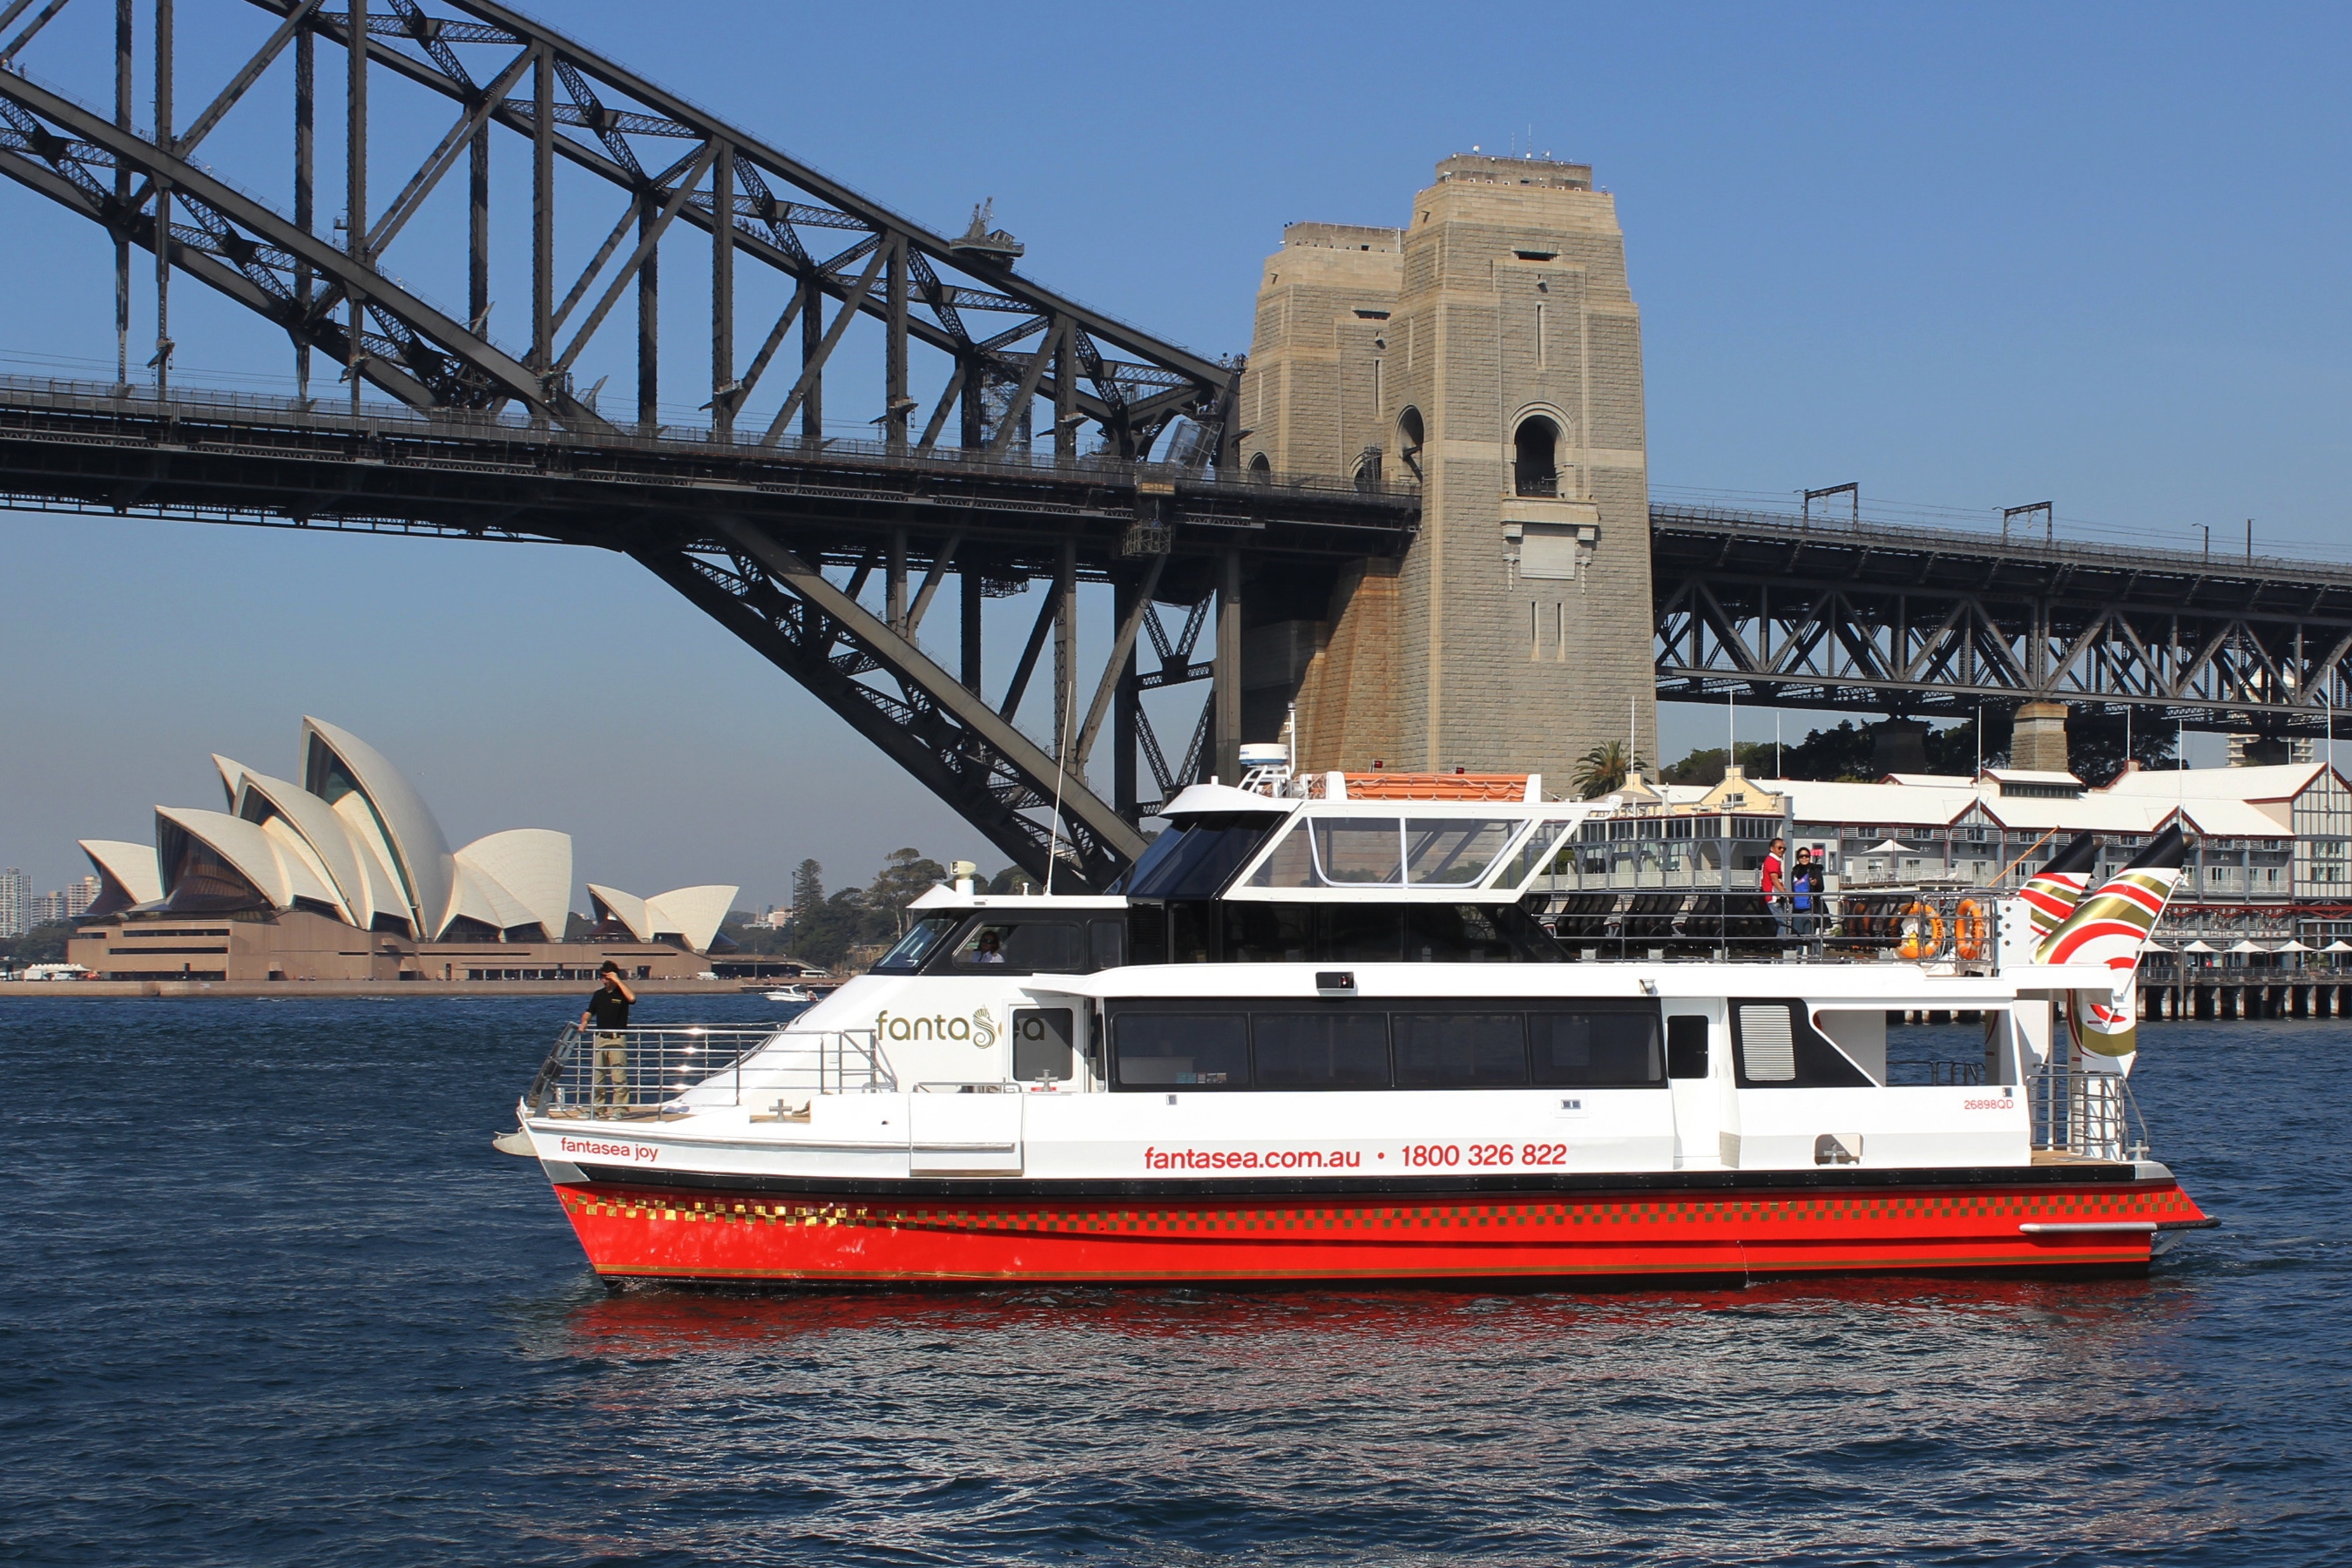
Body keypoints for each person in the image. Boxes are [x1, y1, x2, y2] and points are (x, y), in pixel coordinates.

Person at [581, 962, 638, 1114]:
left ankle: (620, 1109)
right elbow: (589, 1011)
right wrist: (585, 1021)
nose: (604, 980)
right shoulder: (598, 995)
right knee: (598, 1076)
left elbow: (632, 998)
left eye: (607, 977)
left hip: (617, 1039)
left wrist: (618, 981)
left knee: (618, 1076)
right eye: (602, 977)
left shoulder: (622, 993)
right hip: (601, 1038)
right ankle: (597, 1108)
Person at [1789, 848, 1820, 955]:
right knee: (1798, 937)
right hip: (1797, 909)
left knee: (1810, 936)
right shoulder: (1795, 871)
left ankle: (1814, 960)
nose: (1804, 858)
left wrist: (1815, 884)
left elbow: (1821, 888)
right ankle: (1798, 961)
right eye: (1801, 856)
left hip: (1809, 908)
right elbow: (1793, 888)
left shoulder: (1814, 870)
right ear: (1798, 858)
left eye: (1806, 856)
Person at [1761, 836, 1788, 944]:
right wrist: (1785, 893)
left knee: (1777, 924)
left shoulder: (1773, 860)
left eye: (1783, 849)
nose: (1782, 850)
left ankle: (1776, 946)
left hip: (1771, 898)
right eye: (1779, 848)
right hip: (1772, 898)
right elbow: (1774, 879)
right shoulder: (1772, 861)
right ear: (1772, 849)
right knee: (1782, 923)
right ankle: (1780, 945)